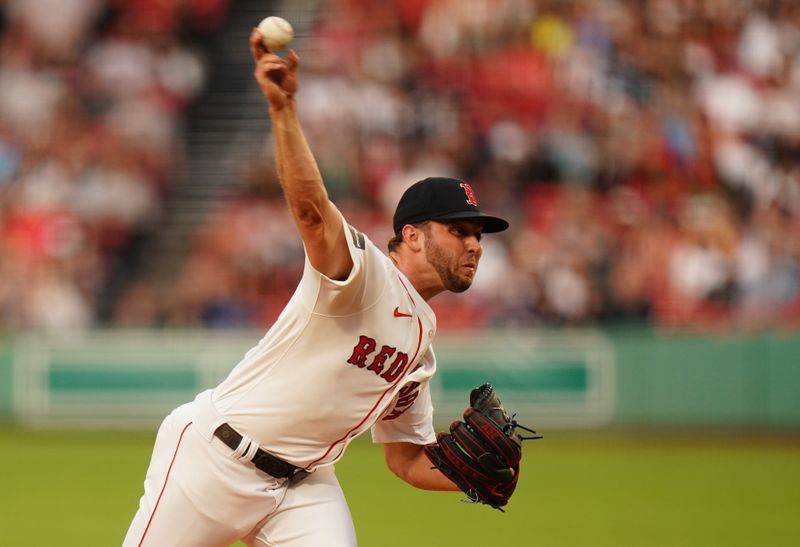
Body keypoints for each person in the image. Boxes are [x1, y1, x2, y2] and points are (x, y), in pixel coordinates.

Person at [123, 28, 510, 547]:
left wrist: (476, 475)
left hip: (303, 487)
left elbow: (407, 458)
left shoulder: (421, 343)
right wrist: (284, 112)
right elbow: (310, 210)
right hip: (213, 459)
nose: (474, 245)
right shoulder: (364, 273)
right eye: (458, 231)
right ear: (412, 236)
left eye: (477, 236)